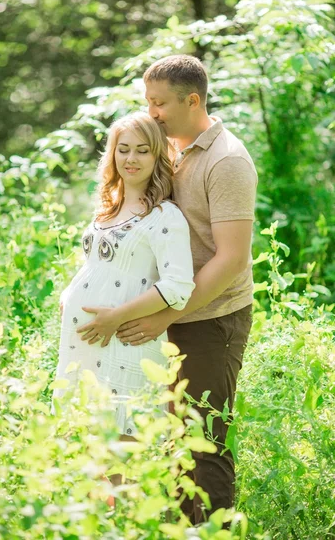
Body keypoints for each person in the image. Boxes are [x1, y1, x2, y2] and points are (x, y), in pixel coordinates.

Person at [116, 55, 258, 523]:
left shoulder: (228, 160)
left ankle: (214, 532)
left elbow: (231, 258)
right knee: (176, 439)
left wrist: (167, 314)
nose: (150, 112)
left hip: (211, 318)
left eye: (157, 103)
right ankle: (183, 531)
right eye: (146, 101)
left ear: (191, 100)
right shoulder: (172, 149)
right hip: (171, 311)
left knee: (206, 441)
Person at [52, 111, 195, 443]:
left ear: (158, 155)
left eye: (143, 150)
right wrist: (69, 294)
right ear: (112, 154)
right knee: (89, 449)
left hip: (125, 341)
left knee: (121, 451)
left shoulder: (164, 215)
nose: (131, 158)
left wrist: (115, 317)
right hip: (85, 344)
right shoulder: (107, 209)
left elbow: (178, 286)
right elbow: (98, 266)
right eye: (124, 148)